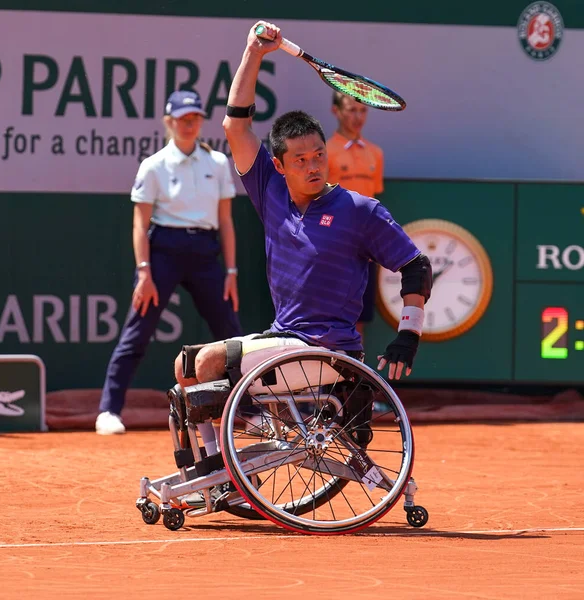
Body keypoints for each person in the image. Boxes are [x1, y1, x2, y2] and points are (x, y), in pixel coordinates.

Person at [172, 21, 432, 461]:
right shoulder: (269, 190)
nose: (314, 167)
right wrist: (253, 52)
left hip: (326, 351)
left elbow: (416, 266)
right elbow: (236, 126)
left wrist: (408, 337)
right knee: (184, 366)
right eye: (301, 160)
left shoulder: (360, 210)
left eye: (319, 157)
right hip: (284, 340)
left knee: (208, 364)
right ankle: (214, 468)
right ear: (279, 164)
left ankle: (235, 458)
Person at [95, 90, 243, 435]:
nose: (190, 124)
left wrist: (232, 271)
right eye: (183, 118)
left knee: (231, 334)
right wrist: (144, 271)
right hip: (162, 254)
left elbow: (226, 222)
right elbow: (139, 224)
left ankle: (246, 408)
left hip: (206, 254)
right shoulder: (153, 166)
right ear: (169, 122)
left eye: (195, 117)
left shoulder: (218, 164)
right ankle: (109, 410)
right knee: (138, 332)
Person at [327, 91, 384, 339]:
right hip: (334, 246)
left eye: (362, 111)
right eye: (351, 110)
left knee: (359, 319)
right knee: (328, 316)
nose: (357, 117)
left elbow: (374, 199)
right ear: (336, 111)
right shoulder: (325, 152)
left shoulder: (376, 153)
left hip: (364, 249)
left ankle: (355, 377)